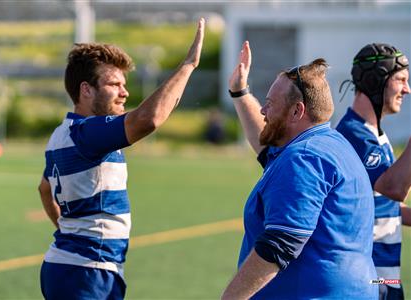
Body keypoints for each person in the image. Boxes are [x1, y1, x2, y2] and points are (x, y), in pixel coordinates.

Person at [37, 19, 205, 299]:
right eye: (114, 84)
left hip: (70, 267)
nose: (124, 92)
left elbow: (44, 189)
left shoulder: (62, 134)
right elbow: (149, 119)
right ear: (86, 90)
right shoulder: (88, 133)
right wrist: (188, 64)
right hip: (87, 274)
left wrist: (70, 233)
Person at [221, 41, 378, 299]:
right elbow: (265, 143)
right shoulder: (331, 145)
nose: (263, 109)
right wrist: (240, 92)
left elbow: (280, 244)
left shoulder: (303, 157)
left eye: (270, 103)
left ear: (297, 111)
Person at [336, 42, 411, 300]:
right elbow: (394, 189)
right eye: (401, 79)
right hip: (369, 281)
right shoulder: (353, 135)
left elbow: (381, 204)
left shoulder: (374, 134)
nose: (407, 89)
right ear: (376, 80)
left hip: (384, 278)